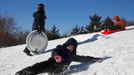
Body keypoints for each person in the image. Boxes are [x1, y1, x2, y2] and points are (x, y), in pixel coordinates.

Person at [15, 38, 102, 75]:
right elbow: (54, 51)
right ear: (67, 44)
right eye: (69, 45)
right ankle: (23, 73)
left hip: (61, 70)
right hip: (52, 63)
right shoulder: (60, 48)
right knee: (39, 66)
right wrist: (56, 56)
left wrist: (93, 59)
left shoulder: (72, 56)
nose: (70, 48)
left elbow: (82, 58)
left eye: (72, 47)